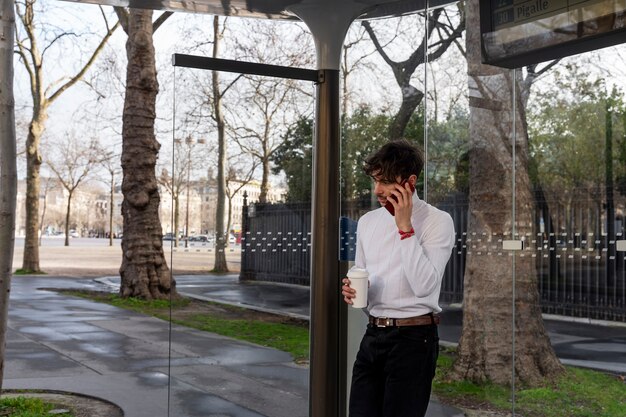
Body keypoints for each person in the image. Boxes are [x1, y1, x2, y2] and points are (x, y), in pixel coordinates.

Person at [341, 139, 455, 417]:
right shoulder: (368, 222)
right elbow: (365, 275)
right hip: (373, 336)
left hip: (414, 340)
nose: (378, 190)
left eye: (387, 181)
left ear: (410, 181)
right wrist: (354, 288)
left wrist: (405, 228)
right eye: (376, 180)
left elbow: (424, 286)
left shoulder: (438, 221)